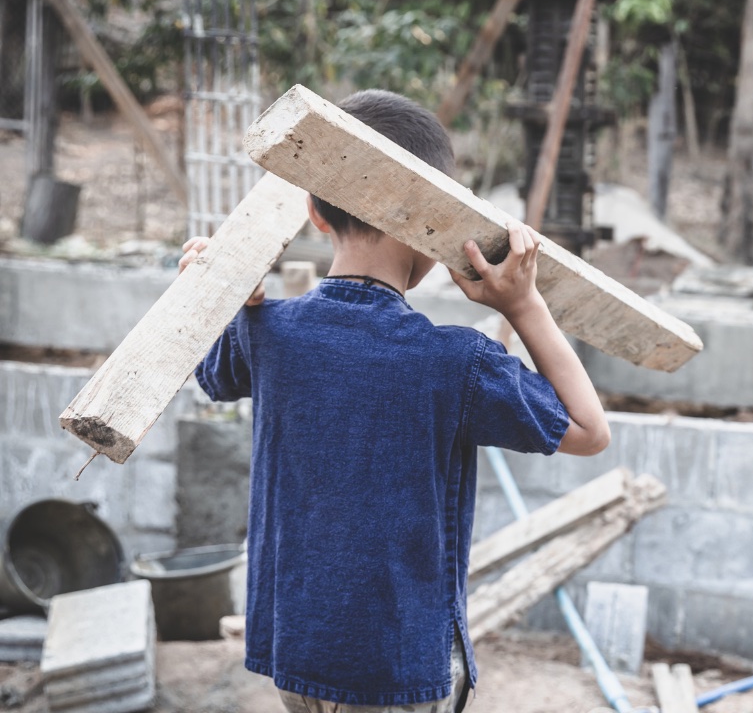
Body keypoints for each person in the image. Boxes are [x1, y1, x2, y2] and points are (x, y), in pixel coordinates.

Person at [179, 89, 610, 713]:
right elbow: (588, 431)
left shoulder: (265, 333)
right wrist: (523, 304)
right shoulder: (458, 361)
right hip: (401, 667)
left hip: (296, 658)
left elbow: (212, 375)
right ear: (431, 223)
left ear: (316, 213)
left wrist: (217, 293)